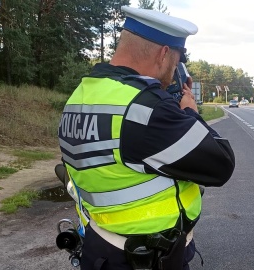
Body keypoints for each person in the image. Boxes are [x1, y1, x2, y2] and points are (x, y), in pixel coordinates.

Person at [57, 6, 235, 270]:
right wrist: (189, 112)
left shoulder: (81, 96)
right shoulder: (146, 109)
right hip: (145, 258)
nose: (174, 70)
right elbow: (221, 163)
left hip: (100, 248)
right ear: (164, 54)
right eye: (176, 62)